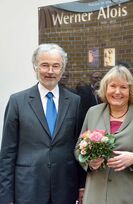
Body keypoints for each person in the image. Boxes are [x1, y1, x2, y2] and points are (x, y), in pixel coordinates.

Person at [0, 44, 85, 204]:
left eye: (56, 66)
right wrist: (6, 197)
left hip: (65, 188)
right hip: (27, 188)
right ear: (35, 67)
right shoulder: (17, 101)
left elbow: (79, 147)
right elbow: (7, 153)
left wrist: (82, 185)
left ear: (62, 69)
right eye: (45, 65)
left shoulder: (75, 101)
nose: (50, 71)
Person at [75, 65, 133, 204]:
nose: (117, 92)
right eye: (113, 86)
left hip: (130, 194)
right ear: (105, 89)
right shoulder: (93, 112)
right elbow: (78, 149)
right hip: (96, 194)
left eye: (123, 87)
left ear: (131, 91)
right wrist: (89, 161)